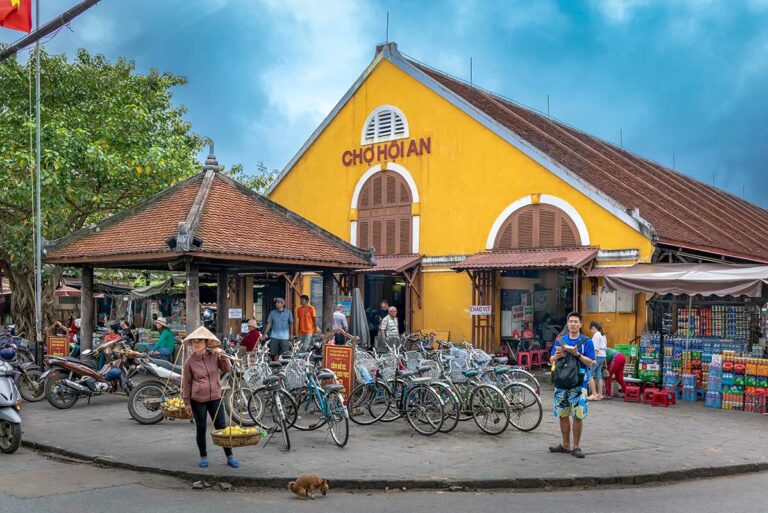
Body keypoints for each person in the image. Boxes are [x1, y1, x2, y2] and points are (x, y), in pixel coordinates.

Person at [181, 326, 239, 469]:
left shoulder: (214, 356)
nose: (196, 344)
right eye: (194, 342)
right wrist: (187, 402)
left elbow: (227, 369)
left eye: (200, 341)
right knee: (201, 428)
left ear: (206, 343)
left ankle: (230, 456)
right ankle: (203, 456)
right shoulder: (189, 362)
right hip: (198, 400)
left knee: (222, 427)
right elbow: (187, 383)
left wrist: (223, 355)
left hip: (215, 398)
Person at [548, 311, 595, 458]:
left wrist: (577, 354)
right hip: (561, 382)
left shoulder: (586, 341)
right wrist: (557, 356)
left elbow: (591, 362)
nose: (573, 324)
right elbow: (551, 360)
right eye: (571, 321)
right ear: (567, 324)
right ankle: (565, 444)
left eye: (576, 322)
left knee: (578, 416)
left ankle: (576, 446)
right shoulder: (560, 340)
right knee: (562, 415)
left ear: (580, 324)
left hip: (578, 384)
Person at [588, 321, 607, 401]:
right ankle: (600, 394)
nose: (591, 331)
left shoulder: (596, 335)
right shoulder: (603, 335)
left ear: (593, 328)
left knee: (589, 373)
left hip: (597, 355)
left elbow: (595, 348)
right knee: (598, 375)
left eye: (591, 330)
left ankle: (594, 393)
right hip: (603, 356)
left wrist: (593, 359)